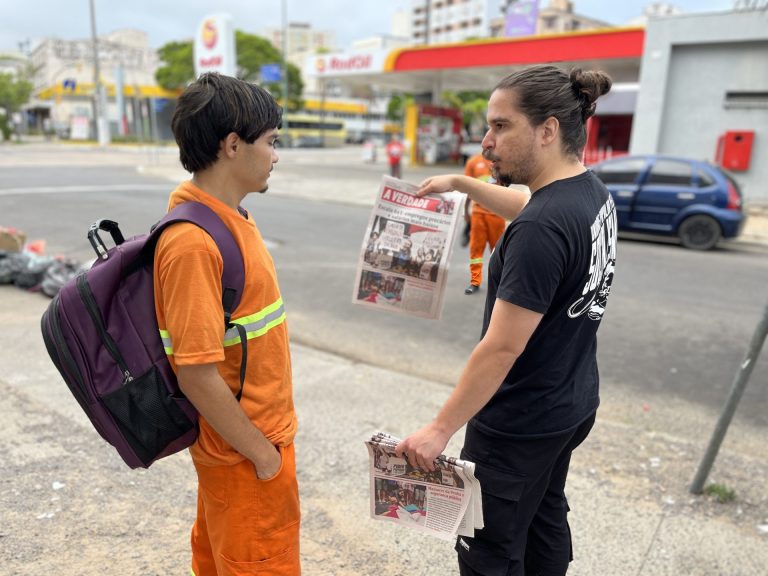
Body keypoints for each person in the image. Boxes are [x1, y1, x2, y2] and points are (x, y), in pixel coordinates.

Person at [396, 65, 617, 576]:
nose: (486, 140)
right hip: (570, 402)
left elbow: (501, 348)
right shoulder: (589, 192)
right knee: (543, 515)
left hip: (519, 421)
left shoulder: (541, 228)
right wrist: (461, 184)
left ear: (547, 130)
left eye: (500, 126)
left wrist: (439, 428)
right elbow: (531, 203)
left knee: (489, 546)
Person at [154, 73, 300, 575]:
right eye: (271, 142)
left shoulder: (229, 215)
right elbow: (194, 372)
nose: (276, 155)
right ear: (233, 145)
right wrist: (263, 457)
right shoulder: (194, 243)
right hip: (246, 457)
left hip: (249, 448)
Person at [462, 152, 507, 295]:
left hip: (497, 214)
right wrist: (466, 211)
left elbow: (506, 186)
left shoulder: (501, 160)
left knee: (498, 251)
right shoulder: (473, 162)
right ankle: (474, 282)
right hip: (478, 213)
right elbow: (467, 188)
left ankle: (500, 282)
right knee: (476, 249)